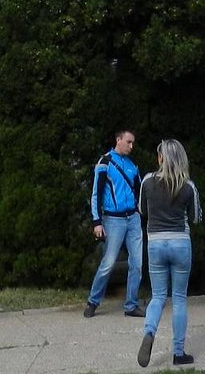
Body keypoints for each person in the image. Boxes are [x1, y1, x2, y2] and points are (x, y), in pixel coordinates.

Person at [136, 138, 202, 368]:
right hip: (180, 243)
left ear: (161, 158)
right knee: (180, 298)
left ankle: (149, 332)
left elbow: (141, 210)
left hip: (155, 243)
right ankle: (178, 353)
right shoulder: (188, 185)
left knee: (157, 296)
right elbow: (196, 217)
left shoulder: (147, 181)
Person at [83, 128, 143, 318]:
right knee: (108, 263)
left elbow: (141, 193)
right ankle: (93, 301)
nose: (131, 146)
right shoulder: (105, 163)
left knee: (137, 264)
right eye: (128, 142)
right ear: (118, 140)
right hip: (113, 219)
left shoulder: (133, 166)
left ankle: (131, 305)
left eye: (133, 142)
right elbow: (96, 194)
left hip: (133, 218)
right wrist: (96, 222)